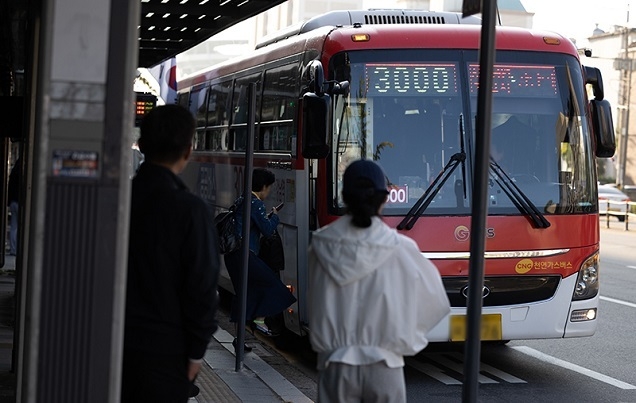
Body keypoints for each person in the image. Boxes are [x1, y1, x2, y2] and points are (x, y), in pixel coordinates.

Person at [308, 159, 451, 403]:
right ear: (384, 198)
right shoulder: (402, 249)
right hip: (385, 364)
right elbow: (436, 303)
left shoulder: (320, 245)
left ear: (345, 196)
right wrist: (404, 337)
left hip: (335, 364)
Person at [121, 105, 220, 402]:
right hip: (167, 353)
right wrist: (195, 353)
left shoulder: (116, 201)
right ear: (187, 151)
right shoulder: (191, 210)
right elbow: (202, 289)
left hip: (111, 342)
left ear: (144, 145)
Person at [224, 168, 296, 350]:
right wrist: (275, 217)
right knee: (271, 283)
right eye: (269, 187)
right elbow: (267, 229)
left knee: (243, 295)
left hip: (234, 255)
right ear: (263, 186)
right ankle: (259, 319)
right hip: (245, 254)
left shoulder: (243, 198)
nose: (269, 191)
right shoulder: (255, 203)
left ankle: (239, 340)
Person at [7, 157, 20, 256]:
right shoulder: (24, 173)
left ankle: (13, 249)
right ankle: (18, 248)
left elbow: (10, 187)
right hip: (21, 202)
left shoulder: (13, 172)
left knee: (13, 226)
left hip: (13, 202)